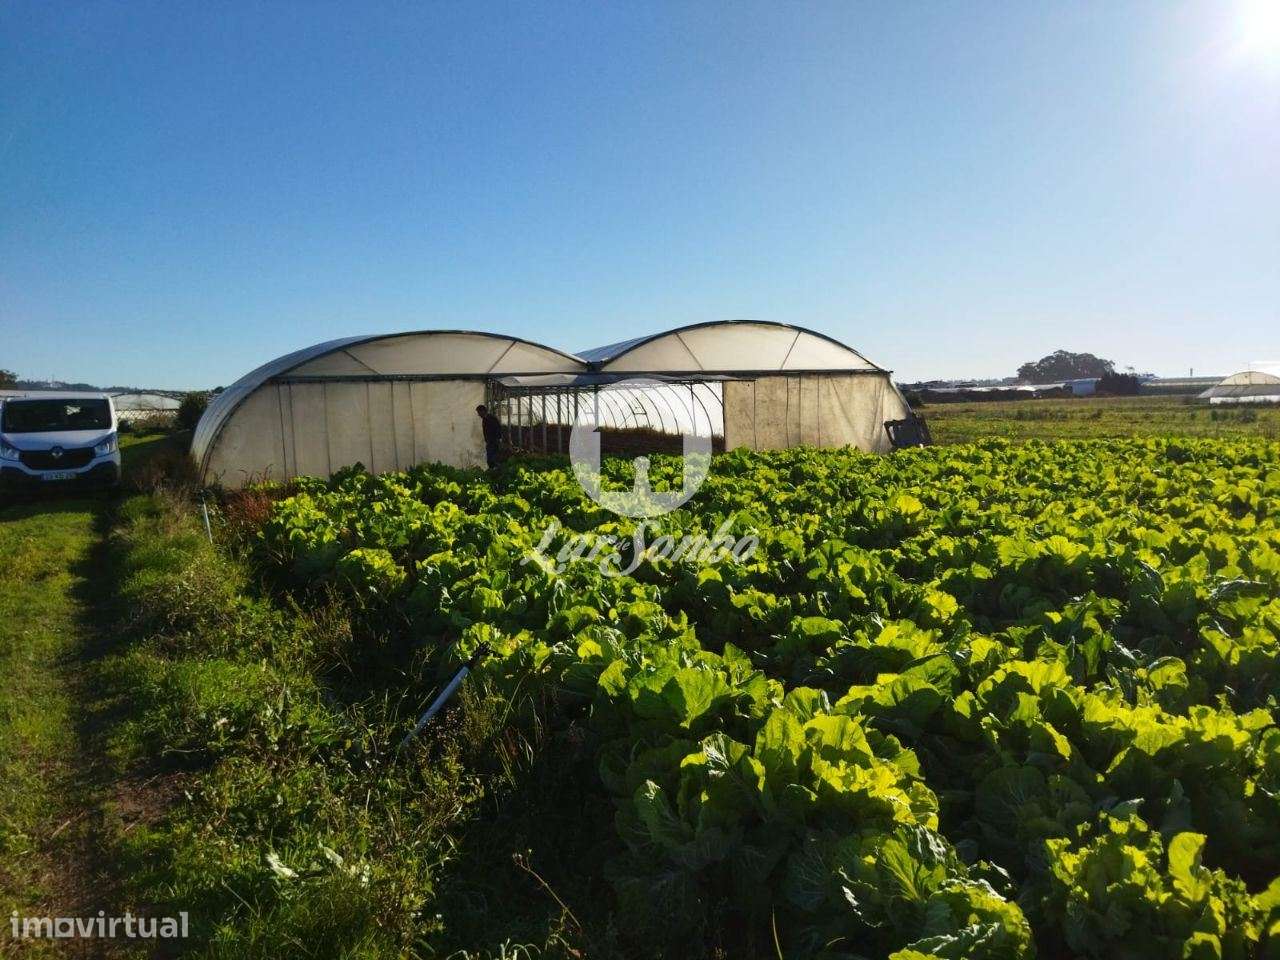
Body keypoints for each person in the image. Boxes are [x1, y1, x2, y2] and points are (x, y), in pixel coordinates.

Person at [477, 404, 503, 469]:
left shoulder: (491, 418)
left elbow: (498, 429)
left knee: (493, 459)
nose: (479, 415)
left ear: (483, 411)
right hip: (490, 442)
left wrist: (497, 440)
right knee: (490, 459)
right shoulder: (485, 419)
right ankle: (493, 472)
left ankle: (496, 471)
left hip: (494, 442)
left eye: (479, 413)